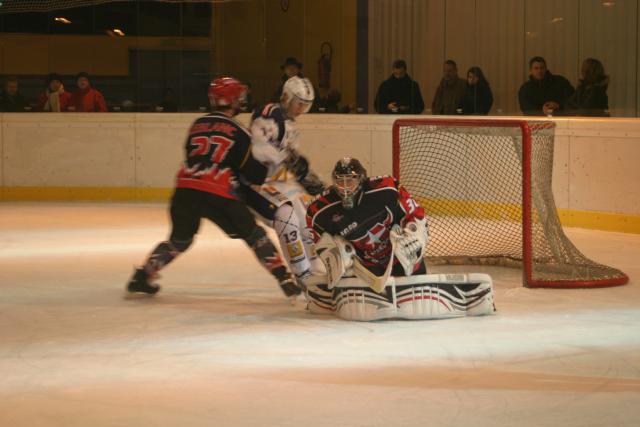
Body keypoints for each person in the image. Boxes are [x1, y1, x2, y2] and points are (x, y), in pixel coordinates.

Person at [126, 77, 299, 298]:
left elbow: (194, 155)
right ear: (234, 100)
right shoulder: (239, 131)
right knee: (255, 235)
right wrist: (270, 162)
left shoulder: (197, 124)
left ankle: (142, 276)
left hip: (184, 189)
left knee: (180, 240)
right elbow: (253, 174)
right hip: (218, 190)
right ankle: (284, 278)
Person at [304, 157, 495, 321]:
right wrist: (333, 252)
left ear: (361, 180)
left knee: (411, 256)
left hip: (399, 258)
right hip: (366, 269)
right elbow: (316, 234)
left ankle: (412, 269)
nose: (345, 187)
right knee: (343, 264)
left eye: (350, 181)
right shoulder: (321, 210)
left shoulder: (385, 190)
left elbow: (416, 215)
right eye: (340, 181)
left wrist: (413, 234)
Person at [246, 76, 326, 288]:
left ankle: (317, 267)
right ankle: (303, 274)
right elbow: (259, 149)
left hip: (278, 182)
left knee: (308, 221)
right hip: (257, 183)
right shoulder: (269, 113)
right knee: (288, 221)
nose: (301, 109)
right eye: (299, 102)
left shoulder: (290, 124)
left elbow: (285, 158)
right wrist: (287, 158)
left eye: (306, 105)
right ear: (286, 97)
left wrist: (302, 175)